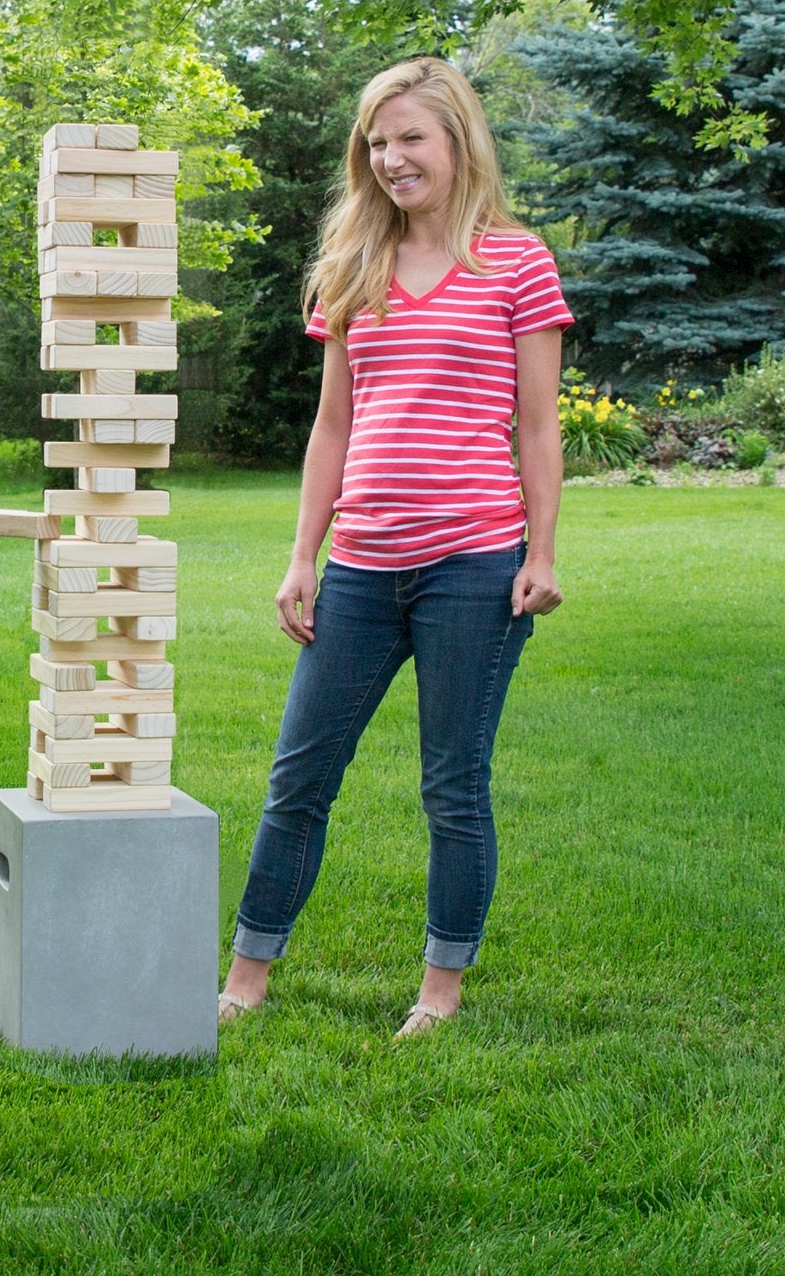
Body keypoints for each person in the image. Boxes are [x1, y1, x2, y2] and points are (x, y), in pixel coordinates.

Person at [216, 58, 571, 1040]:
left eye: (410, 137)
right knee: (299, 777)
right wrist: (303, 556)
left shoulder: (517, 261)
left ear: (458, 142)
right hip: (362, 569)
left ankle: (440, 990)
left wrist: (540, 552)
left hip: (476, 563)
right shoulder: (351, 264)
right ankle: (246, 976)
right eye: (377, 141)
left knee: (453, 785)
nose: (391, 157)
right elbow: (332, 425)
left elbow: (537, 426)